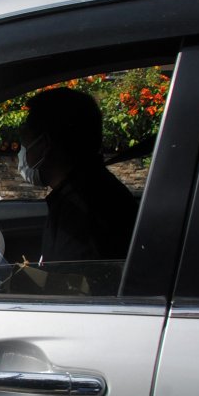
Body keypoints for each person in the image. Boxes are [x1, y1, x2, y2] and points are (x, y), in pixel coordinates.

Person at [18, 86, 138, 264]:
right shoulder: (87, 192)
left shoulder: (84, 210)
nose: (22, 149)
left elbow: (68, 285)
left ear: (44, 144)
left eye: (24, 137)